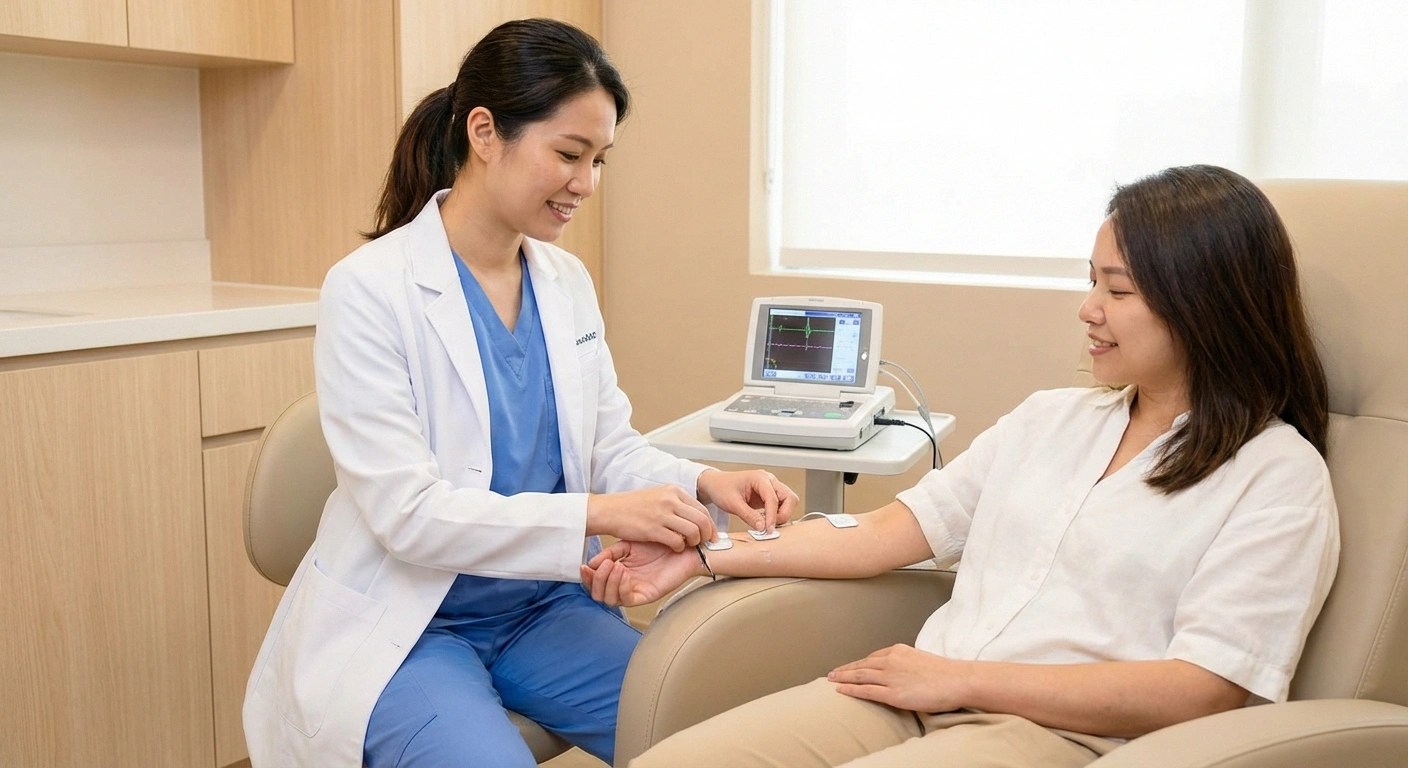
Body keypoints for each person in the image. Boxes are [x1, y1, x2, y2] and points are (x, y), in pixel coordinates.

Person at [583, 165, 1340, 768]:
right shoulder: (1052, 419)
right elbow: (882, 531)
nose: (1088, 309)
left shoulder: (1275, 475)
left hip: (1064, 738)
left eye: (1118, 289)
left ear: (1206, 305)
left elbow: (1200, 690)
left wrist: (960, 680)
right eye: (1091, 281)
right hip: (911, 694)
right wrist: (704, 557)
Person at [242, 19, 798, 768]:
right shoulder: (371, 289)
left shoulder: (564, 282)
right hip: (414, 624)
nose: (586, 184)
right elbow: (408, 516)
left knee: (724, 732)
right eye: (568, 154)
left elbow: (605, 446)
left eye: (599, 160)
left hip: (542, 607)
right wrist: (600, 514)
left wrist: (702, 482)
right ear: (484, 131)